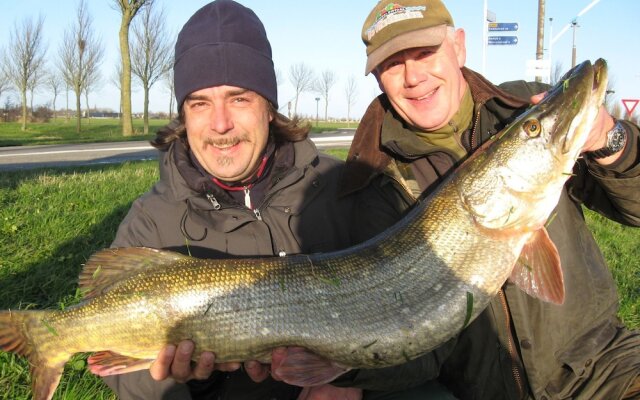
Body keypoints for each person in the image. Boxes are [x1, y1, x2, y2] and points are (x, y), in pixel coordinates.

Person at [320, 0, 640, 398]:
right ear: (378, 78)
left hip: (605, 369)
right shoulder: (375, 182)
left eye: (425, 53)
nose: (413, 76)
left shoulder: (521, 107)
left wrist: (610, 140)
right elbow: (414, 343)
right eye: (393, 64)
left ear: (458, 47)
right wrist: (351, 379)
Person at [102, 1, 364, 399]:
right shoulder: (149, 222)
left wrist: (350, 385)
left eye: (239, 98)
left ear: (268, 107)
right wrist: (179, 378)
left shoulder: (343, 187)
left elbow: (414, 320)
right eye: (200, 103)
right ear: (183, 115)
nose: (220, 124)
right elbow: (118, 372)